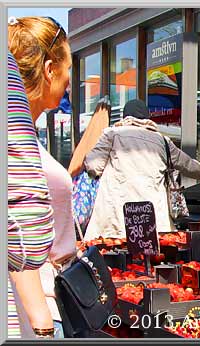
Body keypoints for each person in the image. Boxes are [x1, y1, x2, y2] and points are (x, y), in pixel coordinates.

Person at [8, 16, 78, 338]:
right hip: (34, 312)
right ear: (50, 69)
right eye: (67, 69)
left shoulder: (27, 134)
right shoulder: (16, 139)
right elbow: (16, 225)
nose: (69, 80)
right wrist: (42, 324)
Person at [83, 99, 200, 240]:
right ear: (147, 118)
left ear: (125, 116)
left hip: (117, 216)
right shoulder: (162, 141)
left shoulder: (112, 134)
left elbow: (93, 166)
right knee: (149, 256)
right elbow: (187, 163)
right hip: (152, 217)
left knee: (116, 255)